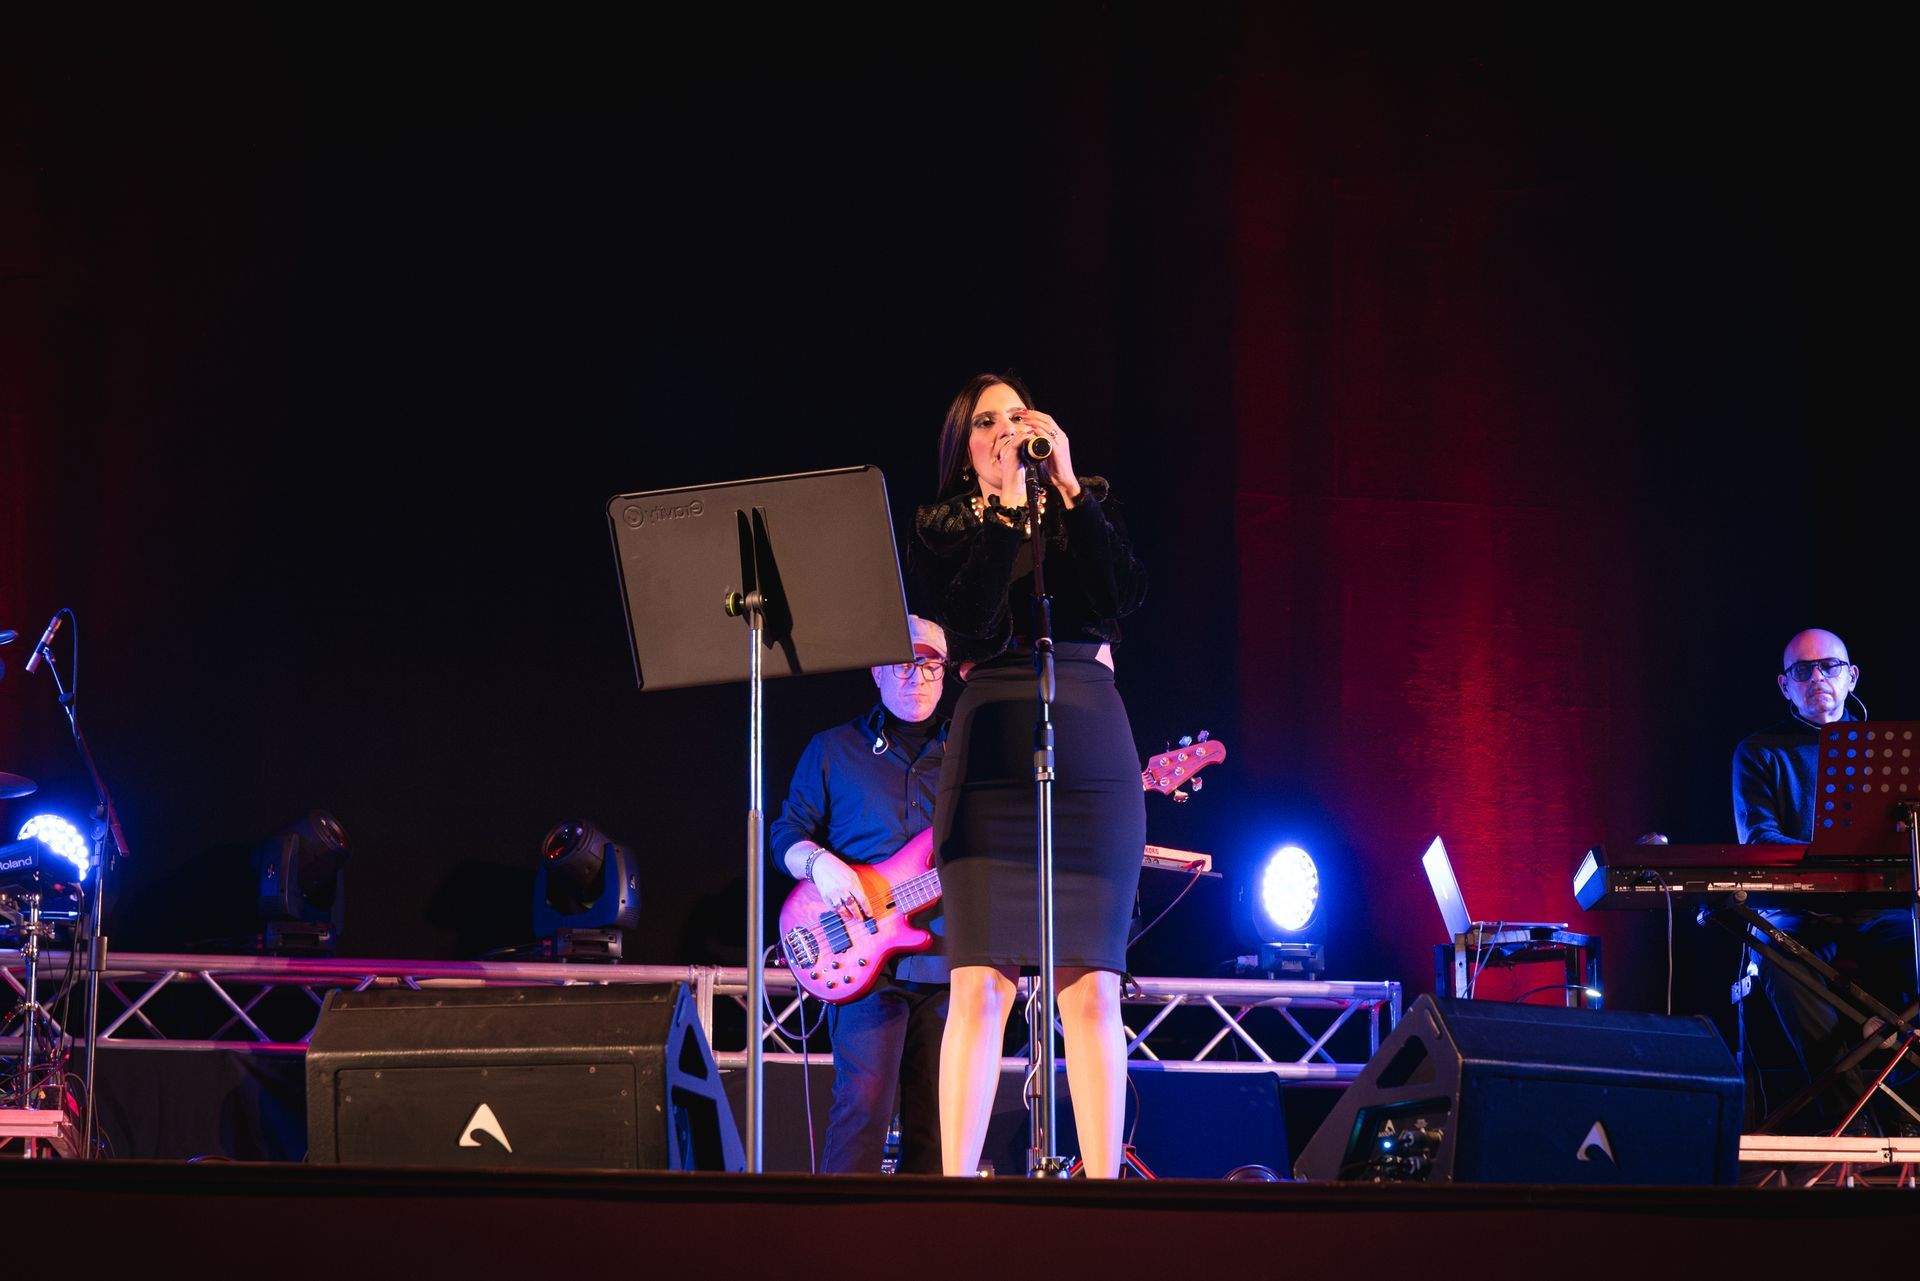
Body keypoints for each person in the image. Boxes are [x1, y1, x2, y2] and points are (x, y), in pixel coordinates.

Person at [911, 373, 1147, 1177]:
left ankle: (1102, 1196)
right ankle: (955, 1197)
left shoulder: (1081, 506)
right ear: (964, 447)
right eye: (987, 422)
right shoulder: (943, 526)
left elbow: (1125, 593)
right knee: (980, 984)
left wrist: (1070, 488)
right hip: (989, 741)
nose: (1008, 430)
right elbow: (972, 620)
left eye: (1019, 415)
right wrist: (1008, 511)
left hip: (1088, 736)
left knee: (1090, 988)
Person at [770, 615, 952, 1174]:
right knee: (862, 1109)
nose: (916, 676)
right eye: (902, 662)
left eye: (929, 664)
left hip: (950, 962)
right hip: (862, 959)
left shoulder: (970, 756)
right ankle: (839, 1246)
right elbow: (784, 833)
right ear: (876, 670)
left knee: (942, 1123)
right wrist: (821, 865)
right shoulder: (833, 749)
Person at [1733, 627, 1913, 1132]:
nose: (1817, 677)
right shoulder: (1760, 751)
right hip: (1799, 912)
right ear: (1784, 685)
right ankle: (1853, 1127)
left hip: (1877, 909)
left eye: (1829, 666)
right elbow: (1760, 840)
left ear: (1851, 676)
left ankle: (1905, 1101)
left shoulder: (1889, 752)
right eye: (1801, 670)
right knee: (1774, 956)